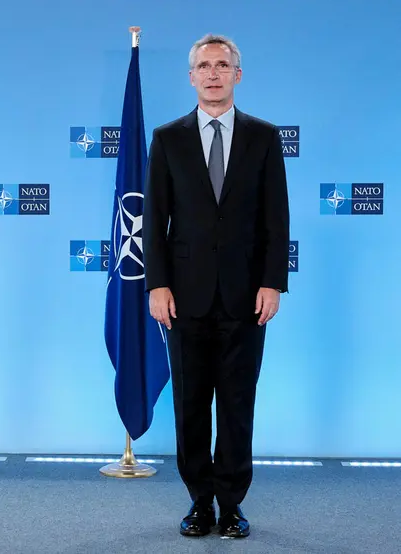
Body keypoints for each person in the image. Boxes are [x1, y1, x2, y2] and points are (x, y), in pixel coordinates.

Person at [143, 34, 289, 538]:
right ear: (191, 76)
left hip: (247, 297)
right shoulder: (167, 138)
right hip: (184, 297)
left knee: (236, 403)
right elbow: (154, 219)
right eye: (204, 65)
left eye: (222, 65)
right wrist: (156, 286)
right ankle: (199, 502)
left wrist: (273, 284)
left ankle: (231, 504)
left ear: (237, 75)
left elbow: (277, 220)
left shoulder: (265, 137)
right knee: (189, 404)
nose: (212, 73)